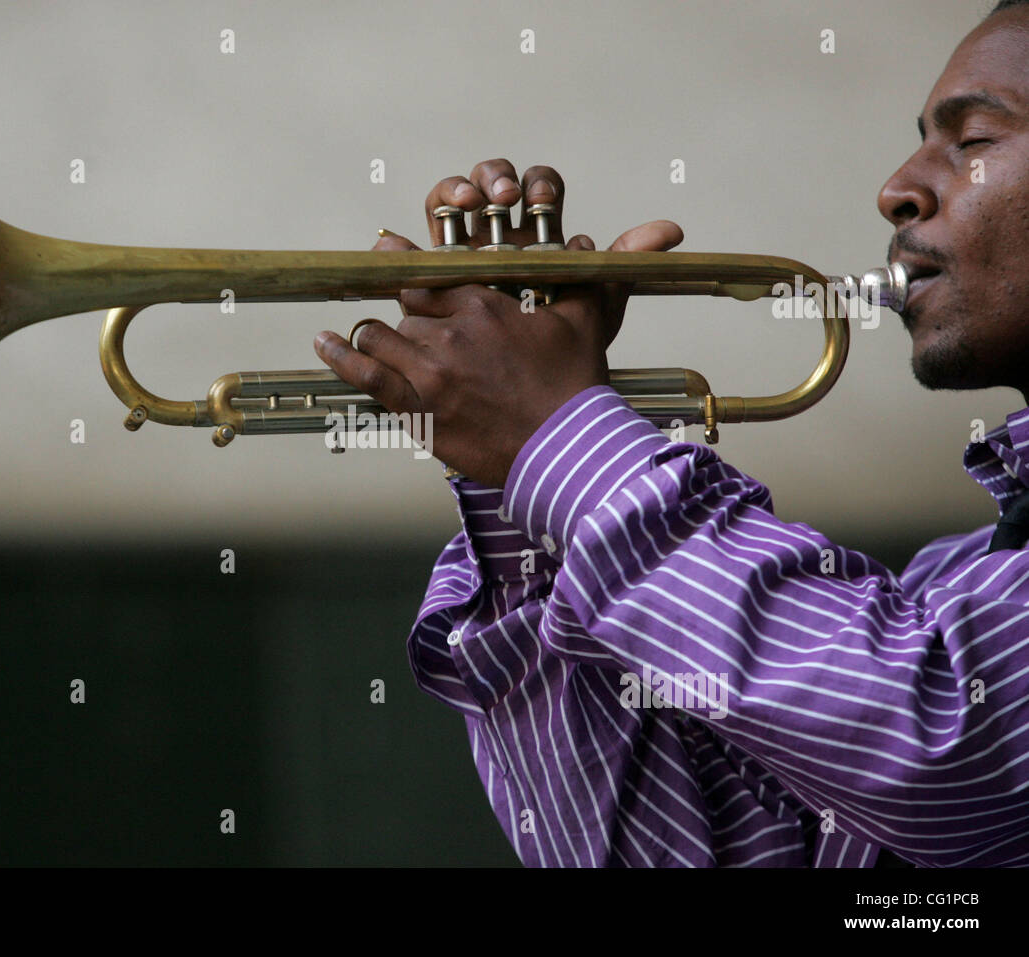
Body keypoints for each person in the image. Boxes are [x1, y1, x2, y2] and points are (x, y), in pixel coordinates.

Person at [312, 2, 1029, 867]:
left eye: (975, 140)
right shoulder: (957, 581)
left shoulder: (941, 635)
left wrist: (564, 438)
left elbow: (934, 742)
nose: (897, 187)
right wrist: (518, 482)